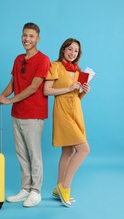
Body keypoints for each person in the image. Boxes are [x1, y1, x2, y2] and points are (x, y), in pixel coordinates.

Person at [0, 23, 50, 207]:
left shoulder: (43, 59)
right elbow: (13, 83)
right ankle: (25, 188)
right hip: (17, 113)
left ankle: (36, 191)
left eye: (31, 36)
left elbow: (34, 87)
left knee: (34, 153)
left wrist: (11, 100)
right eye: (24, 35)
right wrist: (3, 96)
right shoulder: (18, 59)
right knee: (21, 153)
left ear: (38, 39)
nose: (27, 39)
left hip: (33, 114)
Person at [44, 38, 91, 208]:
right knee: (84, 149)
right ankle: (66, 187)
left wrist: (84, 91)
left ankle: (57, 188)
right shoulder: (55, 66)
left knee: (68, 151)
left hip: (76, 111)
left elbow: (77, 96)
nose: (72, 53)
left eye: (76, 51)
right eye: (70, 49)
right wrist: (69, 88)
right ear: (63, 49)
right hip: (63, 111)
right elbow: (46, 90)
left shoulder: (78, 71)